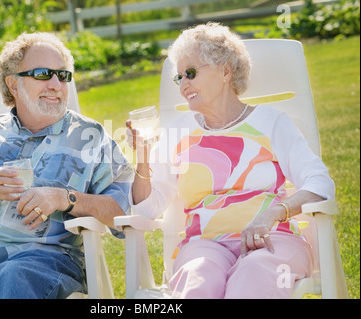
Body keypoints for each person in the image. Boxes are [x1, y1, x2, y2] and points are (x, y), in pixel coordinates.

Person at [0, 32, 133, 299]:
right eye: (43, 74)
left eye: (62, 75)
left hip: (40, 262)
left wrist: (65, 198)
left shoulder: (89, 137)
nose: (56, 84)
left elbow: (123, 211)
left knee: (13, 277)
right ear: (13, 85)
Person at [126, 22, 335, 299]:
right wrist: (142, 159)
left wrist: (273, 214)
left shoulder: (272, 123)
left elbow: (320, 183)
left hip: (274, 239)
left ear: (225, 70)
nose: (183, 85)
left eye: (190, 73)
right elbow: (146, 209)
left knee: (252, 278)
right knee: (198, 281)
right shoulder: (178, 131)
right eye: (179, 78)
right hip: (204, 245)